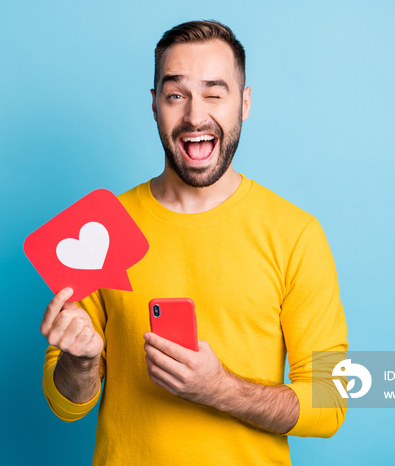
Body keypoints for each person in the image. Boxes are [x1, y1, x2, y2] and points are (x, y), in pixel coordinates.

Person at [40, 20, 348, 465]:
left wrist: (221, 390)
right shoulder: (99, 230)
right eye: (176, 95)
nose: (195, 116)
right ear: (154, 106)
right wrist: (82, 364)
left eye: (214, 92)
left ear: (244, 103)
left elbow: (331, 400)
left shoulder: (296, 234)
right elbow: (66, 404)